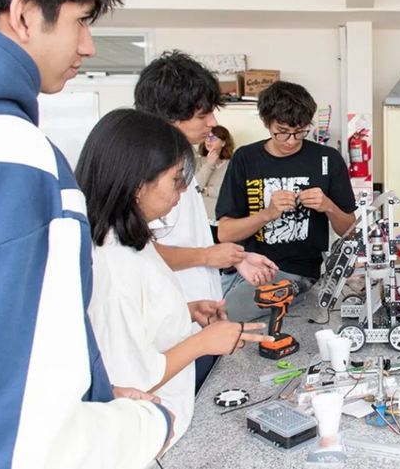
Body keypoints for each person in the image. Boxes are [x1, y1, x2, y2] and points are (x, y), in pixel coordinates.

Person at [0, 0, 172, 468]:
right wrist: (147, 424)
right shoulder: (20, 157)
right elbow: (31, 443)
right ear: (24, 14)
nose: (89, 46)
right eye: (81, 21)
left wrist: (90, 394)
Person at [76, 108, 272, 449]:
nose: (180, 193)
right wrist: (204, 342)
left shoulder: (131, 240)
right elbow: (131, 379)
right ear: (138, 184)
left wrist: (185, 311)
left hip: (168, 421)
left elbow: (138, 319)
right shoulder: (114, 260)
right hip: (149, 435)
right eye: (174, 180)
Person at [135, 51, 277, 389]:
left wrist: (234, 257)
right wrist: (208, 256)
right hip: (172, 334)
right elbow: (136, 251)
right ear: (169, 116)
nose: (212, 122)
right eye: (203, 114)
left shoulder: (182, 161)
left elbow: (188, 236)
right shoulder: (148, 174)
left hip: (199, 317)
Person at [216, 80, 357, 321]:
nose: (291, 141)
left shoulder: (327, 159)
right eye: (281, 131)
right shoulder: (245, 159)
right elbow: (225, 233)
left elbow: (350, 231)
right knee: (205, 310)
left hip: (297, 272)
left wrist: (329, 207)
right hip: (246, 265)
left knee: (227, 313)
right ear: (266, 122)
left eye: (300, 132)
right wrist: (267, 214)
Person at [196, 125, 235, 242]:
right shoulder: (197, 162)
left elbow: (230, 191)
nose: (208, 140)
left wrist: (207, 190)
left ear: (223, 143)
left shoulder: (232, 165)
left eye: (213, 138)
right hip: (201, 220)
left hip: (224, 220)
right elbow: (194, 188)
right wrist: (209, 164)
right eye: (207, 137)